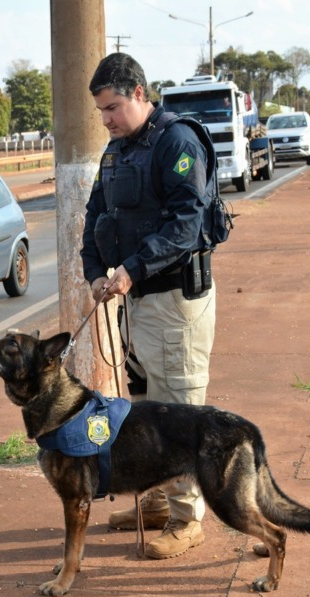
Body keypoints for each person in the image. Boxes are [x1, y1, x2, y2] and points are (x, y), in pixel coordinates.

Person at [80, 53, 218, 560]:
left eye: (113, 107)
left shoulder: (176, 141)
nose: (107, 120)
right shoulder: (117, 152)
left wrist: (132, 268)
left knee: (177, 410)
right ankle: (157, 502)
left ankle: (187, 519)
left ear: (140, 92)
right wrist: (95, 271)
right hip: (134, 301)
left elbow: (185, 224)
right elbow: (96, 215)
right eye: (101, 112)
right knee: (143, 406)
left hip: (174, 300)